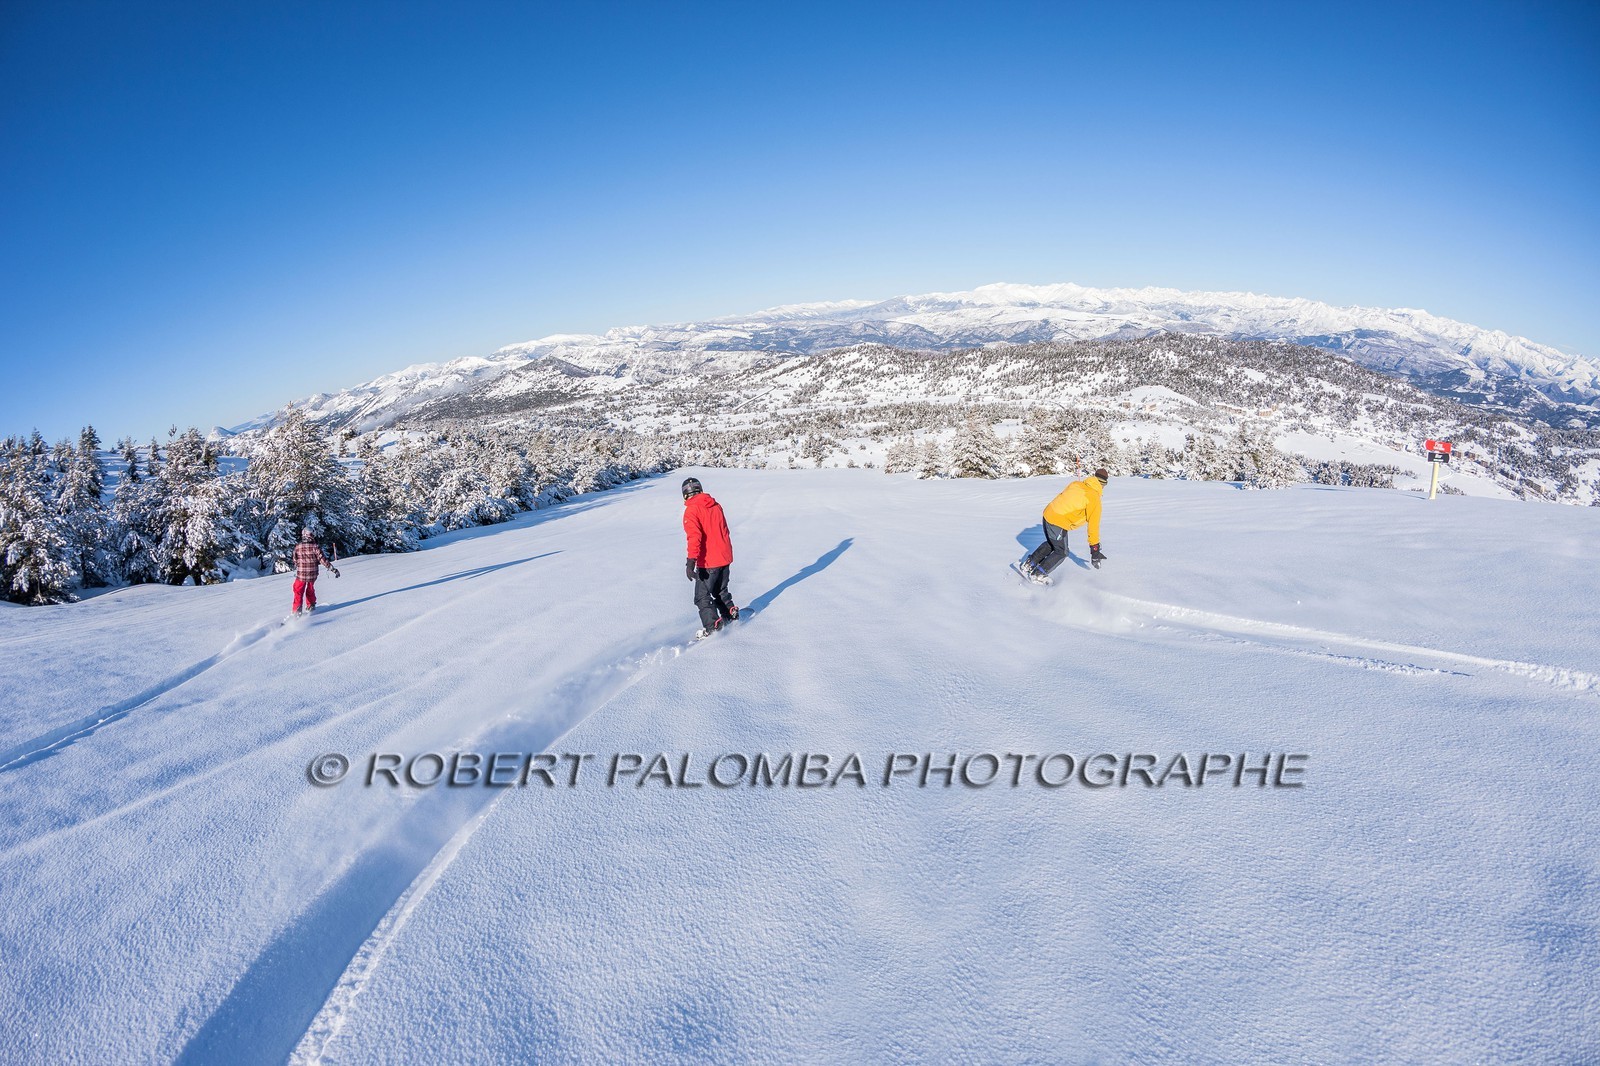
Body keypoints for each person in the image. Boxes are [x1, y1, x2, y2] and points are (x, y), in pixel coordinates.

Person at [1019, 468, 1109, 582]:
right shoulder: (1094, 499)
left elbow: (1064, 498)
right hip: (1057, 521)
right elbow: (1093, 526)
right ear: (1103, 484)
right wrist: (1094, 550)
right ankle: (1038, 574)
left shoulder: (1076, 484)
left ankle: (1028, 565)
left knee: (1053, 544)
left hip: (1048, 514)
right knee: (1062, 552)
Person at [682, 477, 738, 638]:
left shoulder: (692, 510)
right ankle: (730, 613)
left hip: (709, 561)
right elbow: (724, 529)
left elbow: (694, 537)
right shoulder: (715, 505)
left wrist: (690, 562)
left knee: (701, 597)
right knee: (720, 590)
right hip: (724, 556)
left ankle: (712, 625)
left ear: (685, 495)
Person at [291, 528, 339, 614]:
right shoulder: (315, 546)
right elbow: (322, 559)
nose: (313, 537)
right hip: (312, 574)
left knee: (298, 590)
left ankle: (297, 610)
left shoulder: (298, 546)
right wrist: (332, 569)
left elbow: (295, 559)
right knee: (310, 589)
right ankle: (311, 605)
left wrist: (298, 564)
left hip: (301, 574)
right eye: (312, 535)